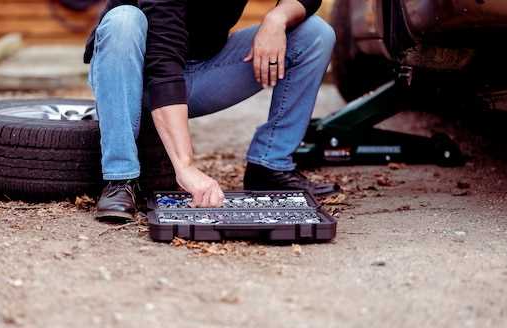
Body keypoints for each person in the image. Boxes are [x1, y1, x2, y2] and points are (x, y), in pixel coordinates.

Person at [85, 0, 335, 221]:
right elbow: (162, 63)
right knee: (124, 20)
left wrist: (277, 18)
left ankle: (270, 165)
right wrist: (185, 166)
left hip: (202, 69)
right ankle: (120, 178)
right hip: (135, 76)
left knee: (314, 34)